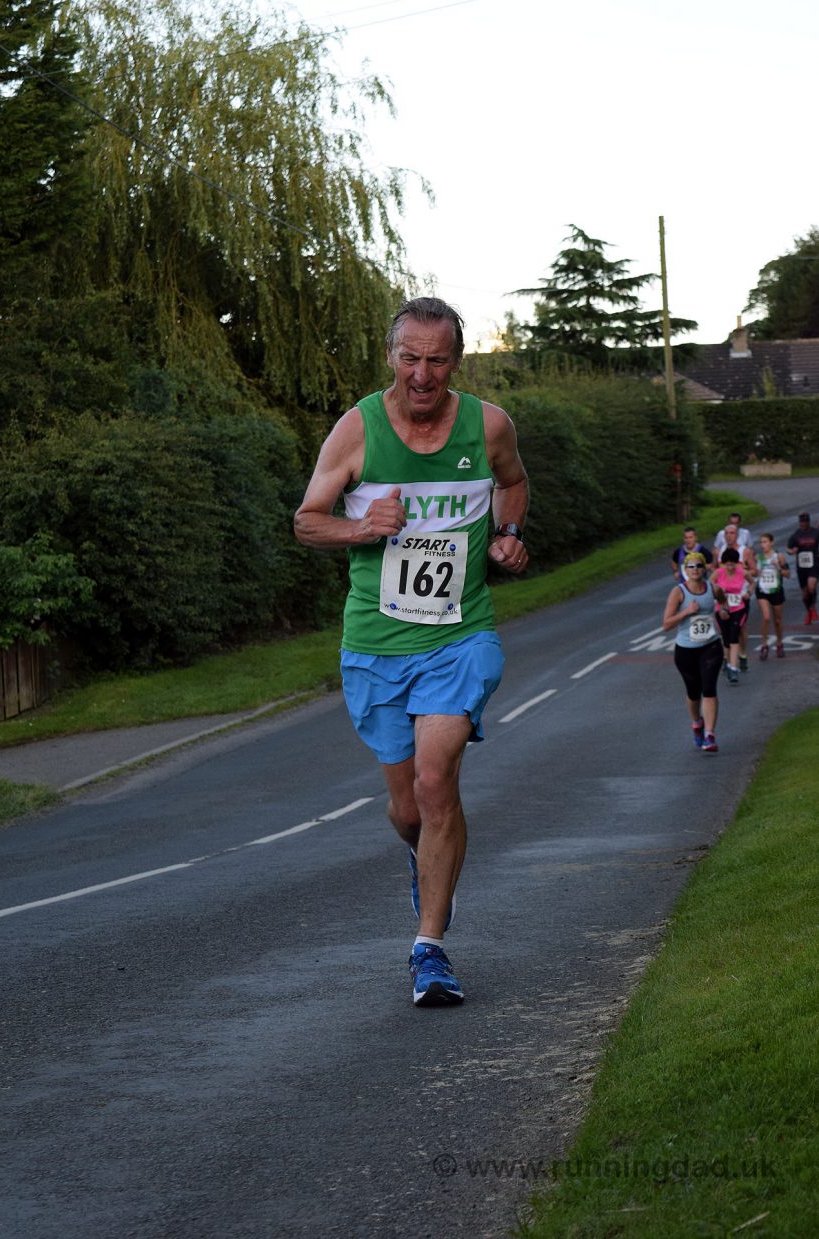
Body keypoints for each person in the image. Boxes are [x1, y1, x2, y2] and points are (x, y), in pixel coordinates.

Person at [293, 297, 529, 1007]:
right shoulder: (356, 431)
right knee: (408, 808)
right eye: (409, 357)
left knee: (435, 780)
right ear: (390, 355)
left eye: (437, 359)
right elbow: (307, 521)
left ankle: (430, 949)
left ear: (456, 361)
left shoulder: (488, 425)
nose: (422, 374)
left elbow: (512, 484)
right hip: (375, 644)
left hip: (461, 636)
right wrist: (363, 527)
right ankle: (423, 856)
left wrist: (508, 535)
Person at [662, 551, 727, 753]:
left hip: (711, 646)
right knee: (693, 692)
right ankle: (697, 722)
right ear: (685, 570)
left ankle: (709, 735)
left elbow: (723, 600)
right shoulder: (678, 592)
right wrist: (687, 611)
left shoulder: (713, 588)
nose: (695, 570)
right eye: (691, 566)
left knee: (709, 688)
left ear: (705, 568)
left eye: (699, 566)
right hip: (686, 650)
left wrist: (724, 610)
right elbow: (666, 624)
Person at [712, 547, 753, 684]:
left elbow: (752, 583)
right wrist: (717, 592)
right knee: (726, 638)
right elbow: (709, 586)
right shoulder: (718, 573)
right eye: (727, 564)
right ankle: (728, 662)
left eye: (732, 564)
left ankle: (733, 669)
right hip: (722, 609)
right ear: (723, 563)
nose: (730, 567)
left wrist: (749, 593)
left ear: (737, 563)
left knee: (734, 636)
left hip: (738, 608)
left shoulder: (743, 572)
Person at [754, 532, 790, 659]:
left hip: (776, 590)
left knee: (778, 620)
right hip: (762, 590)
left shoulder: (778, 556)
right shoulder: (759, 557)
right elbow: (755, 574)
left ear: (771, 543)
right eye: (761, 542)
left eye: (765, 542)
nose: (763, 545)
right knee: (766, 617)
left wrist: (778, 568)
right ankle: (764, 646)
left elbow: (788, 574)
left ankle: (779, 644)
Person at [786, 512, 819, 625]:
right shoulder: (796, 535)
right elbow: (788, 548)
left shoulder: (815, 532)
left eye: (805, 522)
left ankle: (813, 607)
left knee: (812, 585)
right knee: (805, 593)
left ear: (809, 522)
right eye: (801, 522)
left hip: (814, 564)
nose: (803, 524)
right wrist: (792, 551)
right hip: (801, 567)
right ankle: (808, 611)